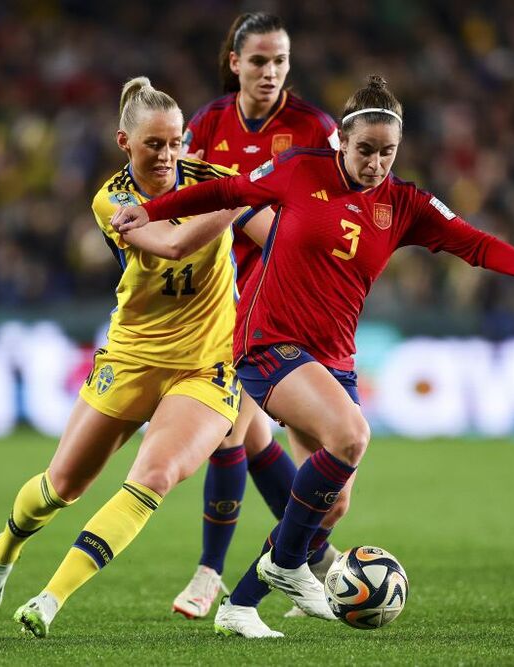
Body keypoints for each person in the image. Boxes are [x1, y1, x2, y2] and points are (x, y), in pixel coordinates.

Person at [111, 75, 514, 637]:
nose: (376, 162)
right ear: (342, 142)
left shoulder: (405, 204)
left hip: (334, 358)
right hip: (268, 341)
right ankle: (283, 567)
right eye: (365, 150)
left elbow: (473, 242)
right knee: (351, 437)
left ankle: (241, 603)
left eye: (387, 152)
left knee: (330, 507)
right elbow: (227, 192)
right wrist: (155, 210)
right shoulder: (301, 169)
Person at [0, 76, 272, 638]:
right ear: (123, 143)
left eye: (176, 142)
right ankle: (6, 546)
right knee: (62, 486)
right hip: (132, 356)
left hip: (206, 365)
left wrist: (272, 202)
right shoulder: (113, 200)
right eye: (153, 144)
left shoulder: (216, 182)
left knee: (154, 476)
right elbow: (175, 244)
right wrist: (239, 195)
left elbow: (274, 228)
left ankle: (49, 600)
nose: (167, 155)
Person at [172, 12, 344, 620]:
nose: (270, 72)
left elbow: (318, 220)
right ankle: (229, 572)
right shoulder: (209, 122)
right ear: (235, 62)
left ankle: (292, 559)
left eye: (280, 61)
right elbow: (191, 201)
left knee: (249, 438)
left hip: (283, 299)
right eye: (259, 61)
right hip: (220, 296)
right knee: (239, 431)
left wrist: (244, 210)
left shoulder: (314, 129)